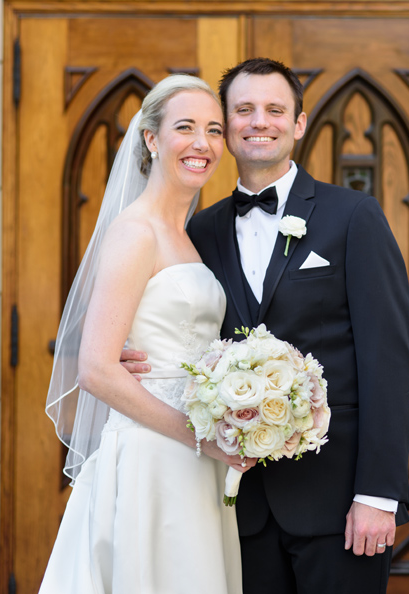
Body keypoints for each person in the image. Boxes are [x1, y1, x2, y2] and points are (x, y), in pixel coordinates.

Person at [123, 58, 409, 593]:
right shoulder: (200, 232)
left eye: (275, 110)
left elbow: (388, 360)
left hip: (340, 504)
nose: (260, 121)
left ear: (298, 124)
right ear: (228, 128)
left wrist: (378, 494)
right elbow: (184, 325)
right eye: (244, 110)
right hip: (236, 505)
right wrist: (132, 350)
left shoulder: (354, 216)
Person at [41, 75, 253, 594]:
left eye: (214, 130)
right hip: (154, 456)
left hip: (198, 458)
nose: (203, 144)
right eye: (185, 127)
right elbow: (95, 369)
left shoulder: (190, 235)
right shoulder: (135, 232)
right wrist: (204, 438)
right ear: (152, 139)